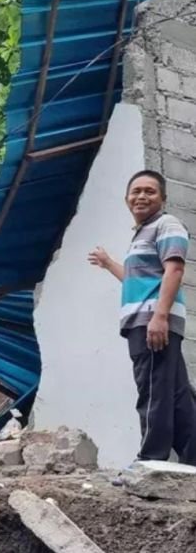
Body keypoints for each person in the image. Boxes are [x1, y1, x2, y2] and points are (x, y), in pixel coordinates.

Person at [88, 170, 196, 465]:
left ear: (163, 198)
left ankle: (151, 459)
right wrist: (110, 263)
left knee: (152, 390)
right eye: (136, 191)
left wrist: (159, 317)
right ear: (127, 199)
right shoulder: (141, 234)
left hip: (151, 323)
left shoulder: (166, 224)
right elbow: (138, 281)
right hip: (148, 320)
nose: (141, 196)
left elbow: (174, 270)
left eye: (150, 191)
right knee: (177, 397)